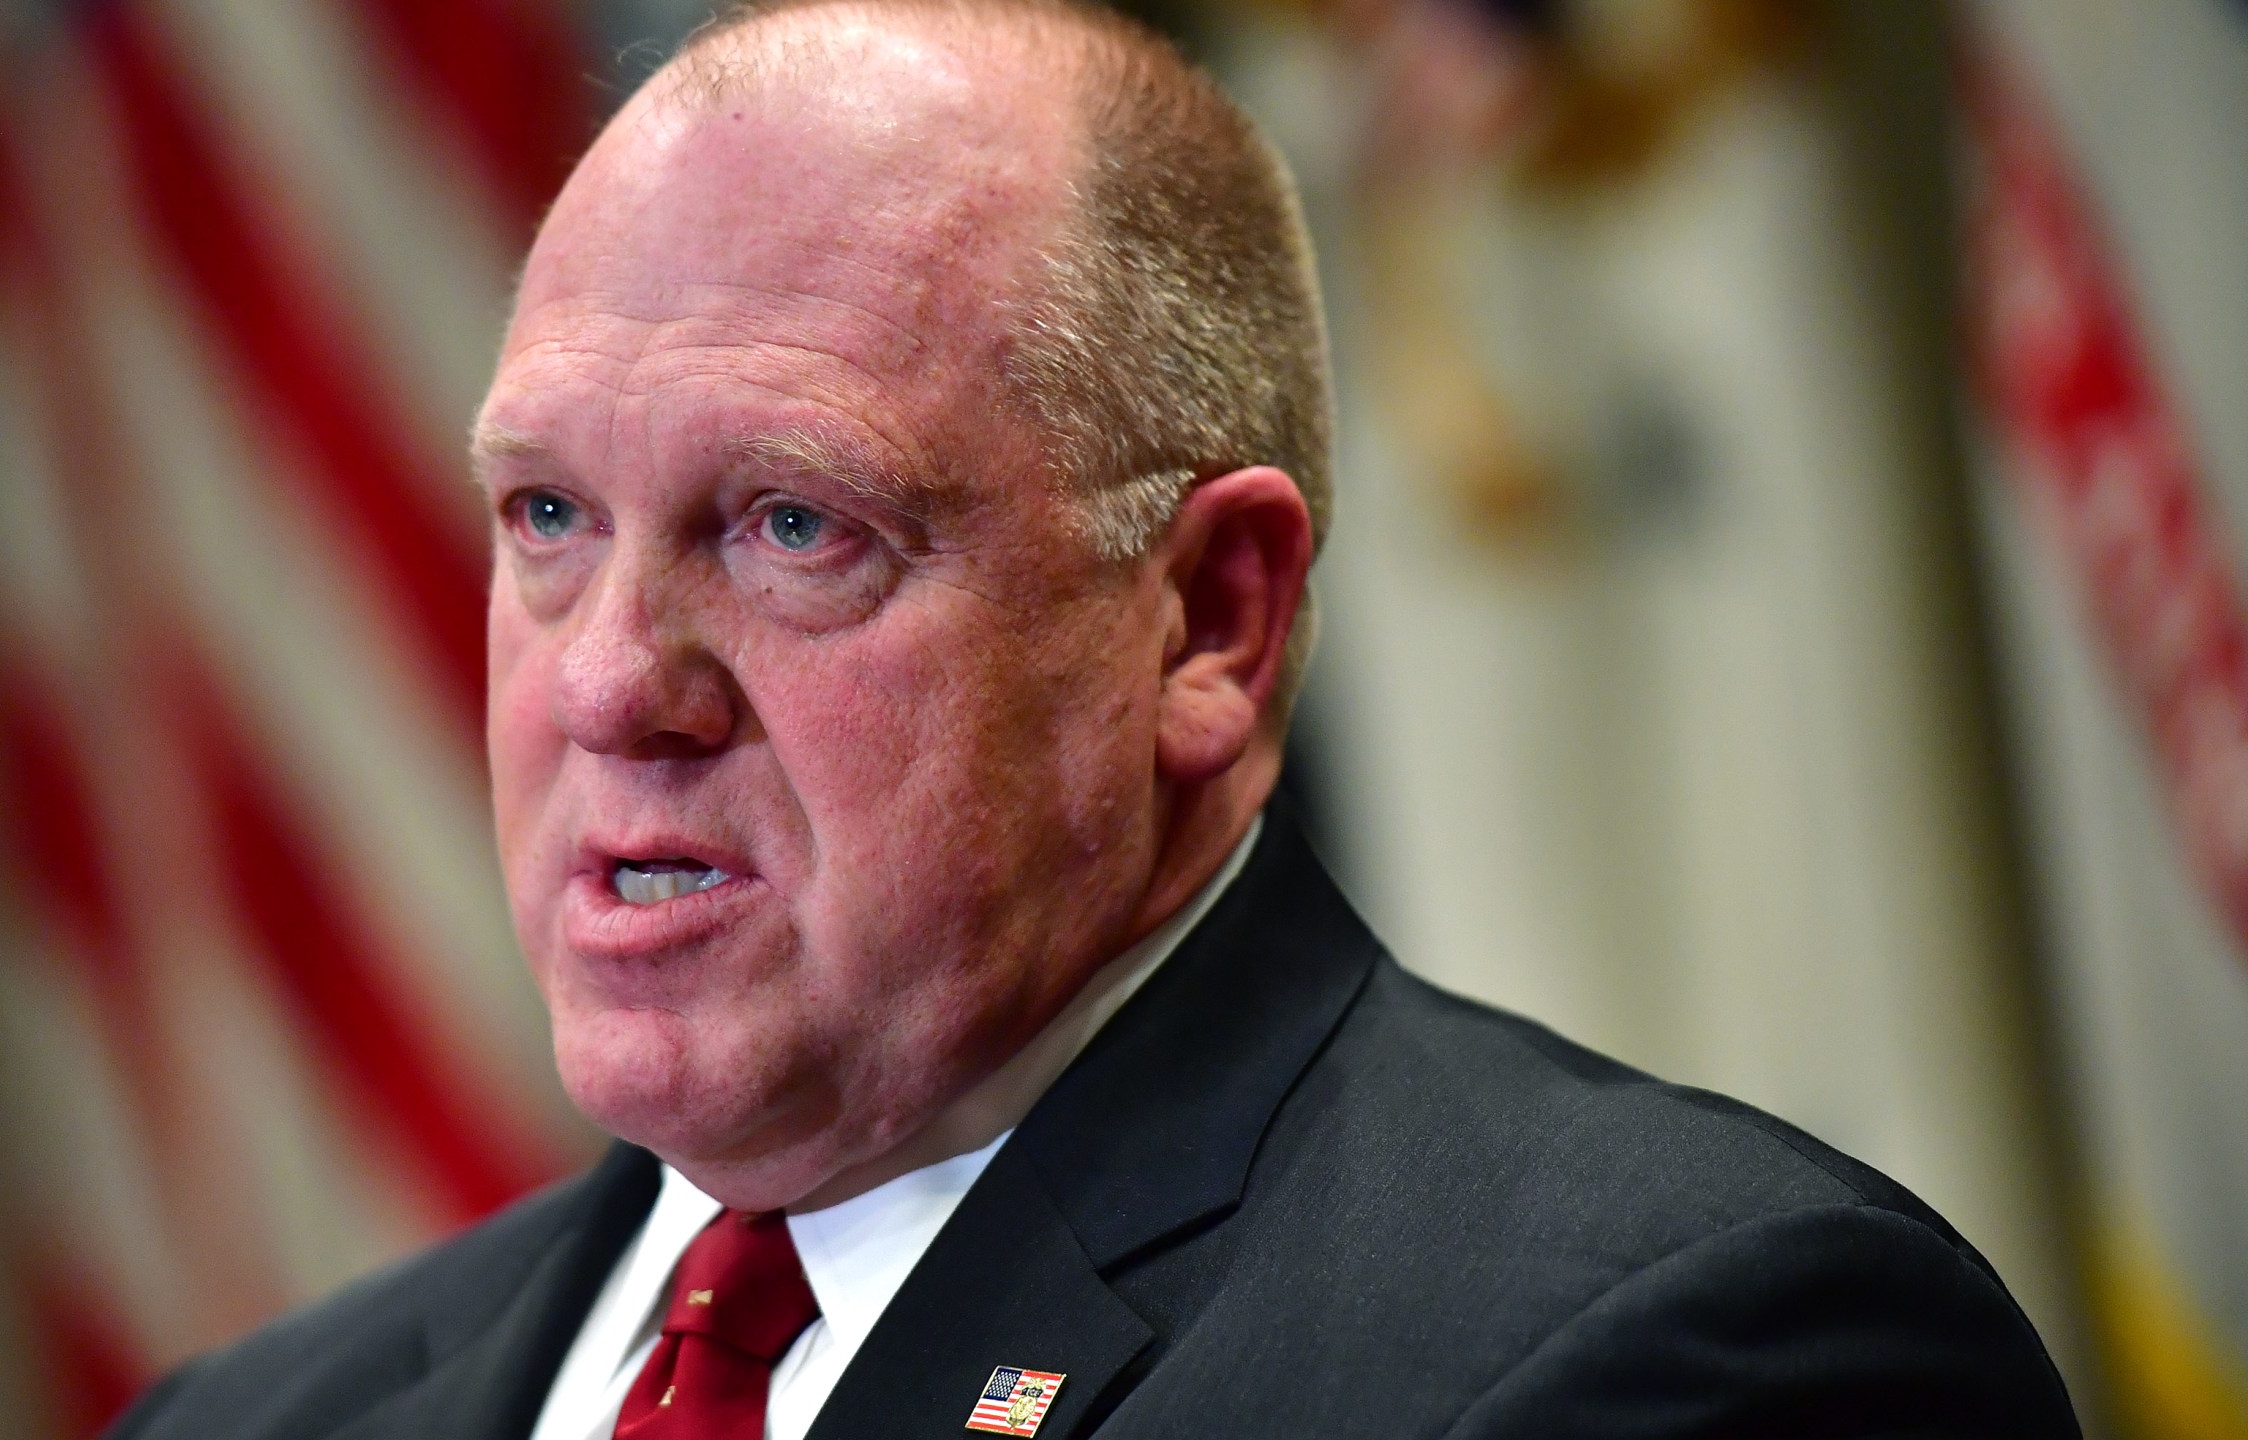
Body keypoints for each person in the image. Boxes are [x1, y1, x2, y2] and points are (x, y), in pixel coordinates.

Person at [108, 0, 2079, 1435]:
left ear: (1208, 624)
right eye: (546, 515)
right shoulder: (242, 1424)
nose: (613, 680)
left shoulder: (1671, 1358)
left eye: (794, 525)